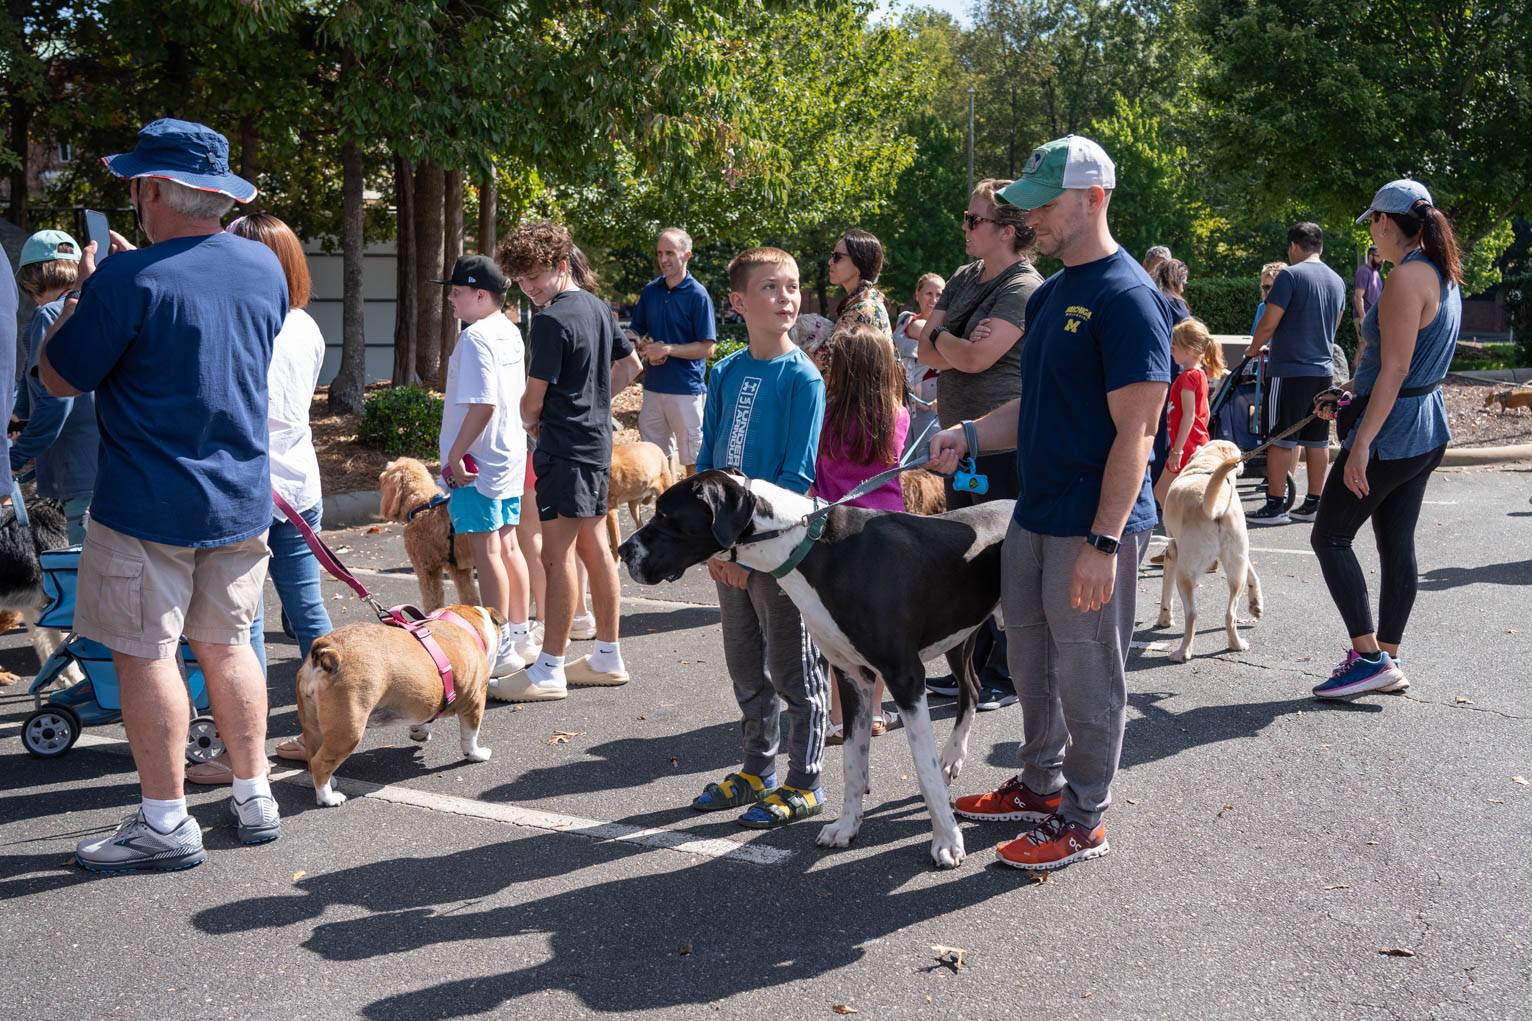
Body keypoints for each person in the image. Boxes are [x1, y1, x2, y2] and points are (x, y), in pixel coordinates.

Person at [39, 118, 287, 873]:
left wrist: (88, 291)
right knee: (231, 643)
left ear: (152, 190)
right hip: (240, 494)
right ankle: (254, 794)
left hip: (147, 501)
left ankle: (166, 819)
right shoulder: (264, 269)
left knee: (146, 654)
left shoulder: (124, 279)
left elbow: (59, 376)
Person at [932, 134, 1171, 871]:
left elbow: (1139, 432)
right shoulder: (1055, 291)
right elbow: (1036, 402)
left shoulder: (1127, 296)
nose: (1030, 218)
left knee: (1089, 670)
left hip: (1088, 525)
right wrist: (971, 433)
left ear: (1094, 198)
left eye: (1045, 203)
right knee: (1030, 656)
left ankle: (1085, 816)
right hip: (1034, 509)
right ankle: (1040, 784)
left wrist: (1104, 543)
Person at [691, 246, 830, 829]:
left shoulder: (803, 376)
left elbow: (796, 478)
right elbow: (707, 464)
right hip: (728, 551)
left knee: (792, 667)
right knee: (745, 665)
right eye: (771, 287)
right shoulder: (724, 371)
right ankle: (756, 769)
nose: (786, 297)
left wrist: (750, 553)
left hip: (780, 552)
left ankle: (805, 780)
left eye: (792, 286)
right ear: (739, 302)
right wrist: (715, 546)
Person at [1309, 180, 1461, 699]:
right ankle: (1387, 657)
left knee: (1328, 537)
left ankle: (1369, 658)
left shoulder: (1403, 279)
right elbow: (1409, 365)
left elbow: (1395, 369)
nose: (1370, 233)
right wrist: (1351, 390)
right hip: (1426, 426)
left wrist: (1360, 444)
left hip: (1394, 432)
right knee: (1396, 543)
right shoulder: (1443, 272)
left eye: (1371, 221)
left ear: (1385, 221)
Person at [913, 178, 1045, 711]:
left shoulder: (1023, 287)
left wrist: (940, 336)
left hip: (1001, 445)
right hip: (957, 445)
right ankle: (970, 669)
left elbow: (970, 360)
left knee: (1006, 561)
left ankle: (1007, 674)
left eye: (974, 220)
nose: (964, 227)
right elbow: (928, 348)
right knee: (966, 559)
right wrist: (947, 339)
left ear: (1008, 230)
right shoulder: (967, 276)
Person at [496, 221, 642, 700]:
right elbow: (631, 366)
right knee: (596, 549)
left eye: (536, 276)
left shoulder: (552, 319)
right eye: (520, 280)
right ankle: (606, 655)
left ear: (561, 266)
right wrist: (597, 404)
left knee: (555, 557)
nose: (530, 287)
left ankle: (549, 669)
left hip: (563, 448)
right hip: (595, 444)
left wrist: (531, 421)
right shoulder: (599, 308)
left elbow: (531, 402)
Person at [432, 253, 541, 699]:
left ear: (481, 295)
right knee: (509, 544)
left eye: (458, 292)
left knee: (486, 547)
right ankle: (518, 633)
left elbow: (481, 404)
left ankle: (497, 644)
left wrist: (455, 454)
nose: (452, 300)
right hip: (508, 452)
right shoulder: (509, 330)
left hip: (478, 459)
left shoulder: (475, 338)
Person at [814, 322, 909, 745]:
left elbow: (814, 473)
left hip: (836, 535)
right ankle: (874, 711)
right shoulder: (898, 414)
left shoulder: (825, 414)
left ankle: (839, 716)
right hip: (888, 533)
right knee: (882, 628)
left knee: (839, 633)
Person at [1244, 223, 1346, 525]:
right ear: (1321, 246)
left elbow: (1269, 322)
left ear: (1292, 246)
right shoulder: (1337, 281)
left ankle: (1275, 505)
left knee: (1280, 437)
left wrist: (1253, 349)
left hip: (1288, 369)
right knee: (1317, 439)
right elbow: (1335, 323)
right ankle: (1314, 502)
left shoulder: (1290, 275)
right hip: (1323, 370)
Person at [11, 230, 98, 543]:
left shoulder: (50, 314)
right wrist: (18, 415)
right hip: (115, 471)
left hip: (78, 473)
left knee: (82, 583)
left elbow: (54, 402)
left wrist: (13, 461)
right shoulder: (99, 310)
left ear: (33, 279)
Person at [631, 228, 716, 475]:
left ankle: (695, 512)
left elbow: (708, 348)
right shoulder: (651, 291)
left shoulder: (698, 295)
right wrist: (632, 340)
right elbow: (636, 329)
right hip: (653, 388)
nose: (663, 259)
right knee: (656, 460)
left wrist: (667, 349)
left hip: (686, 391)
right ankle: (668, 511)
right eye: (659, 253)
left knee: (693, 461)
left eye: (670, 252)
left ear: (687, 255)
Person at [1152, 317, 1224, 507]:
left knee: (1161, 492)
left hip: (1185, 447)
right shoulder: (1200, 375)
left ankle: (1178, 532)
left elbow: (1189, 415)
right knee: (1180, 493)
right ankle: (1182, 530)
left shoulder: (1186, 378)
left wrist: (1177, 450)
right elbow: (1205, 413)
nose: (1170, 351)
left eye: (1174, 347)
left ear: (1190, 350)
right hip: (1195, 443)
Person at [892, 273, 944, 454]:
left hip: (940, 402)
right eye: (929, 294)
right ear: (917, 295)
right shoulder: (913, 323)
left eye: (939, 295)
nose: (934, 300)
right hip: (915, 402)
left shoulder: (951, 326)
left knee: (934, 460)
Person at [829, 228, 891, 338]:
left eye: (837, 257)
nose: (830, 262)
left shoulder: (861, 310)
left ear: (859, 264)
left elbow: (827, 354)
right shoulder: (869, 300)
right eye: (832, 255)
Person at [1352, 244, 1384, 339]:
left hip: (1373, 317)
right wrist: (1363, 317)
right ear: (1370, 256)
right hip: (1364, 316)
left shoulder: (1376, 273)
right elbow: (1358, 297)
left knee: (1369, 347)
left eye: (1383, 257)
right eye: (1379, 257)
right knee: (1364, 345)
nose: (1382, 260)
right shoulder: (1363, 271)